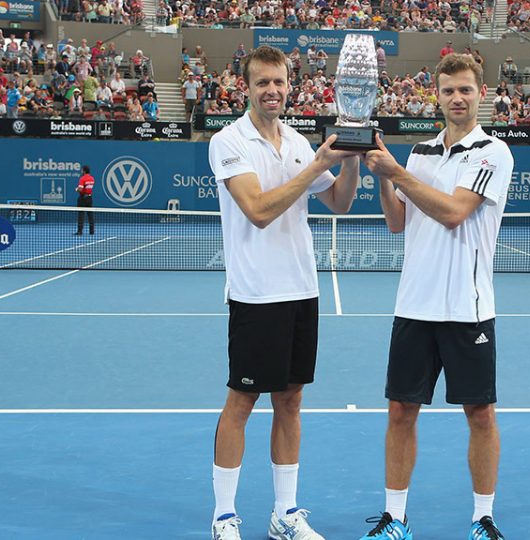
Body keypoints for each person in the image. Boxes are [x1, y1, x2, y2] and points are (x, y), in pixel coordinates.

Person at [206, 45, 361, 540]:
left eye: (279, 82)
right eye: (262, 83)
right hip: (255, 295)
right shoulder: (228, 141)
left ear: (289, 86)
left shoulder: (295, 142)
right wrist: (316, 165)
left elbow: (338, 202)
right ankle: (225, 516)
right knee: (242, 402)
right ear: (246, 88)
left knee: (290, 402)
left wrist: (354, 157)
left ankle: (285, 514)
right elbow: (258, 209)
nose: (272, 91)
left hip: (301, 291)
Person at [359, 53, 514, 540]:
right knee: (400, 411)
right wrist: (384, 175)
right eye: (448, 91)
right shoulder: (421, 152)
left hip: (467, 309)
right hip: (414, 306)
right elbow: (397, 221)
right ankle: (396, 518)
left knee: (480, 414)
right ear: (438, 96)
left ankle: (483, 517)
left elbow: (452, 213)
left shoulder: (494, 152)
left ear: (480, 93)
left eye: (465, 89)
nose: (457, 98)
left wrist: (397, 173)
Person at [74, 165, 95, 235]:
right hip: (89, 198)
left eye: (82, 170)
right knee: (90, 215)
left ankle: (80, 231)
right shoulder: (92, 178)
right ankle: (92, 231)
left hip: (83, 198)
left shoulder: (82, 179)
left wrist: (76, 189)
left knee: (81, 215)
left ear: (84, 171)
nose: (81, 171)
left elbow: (80, 189)